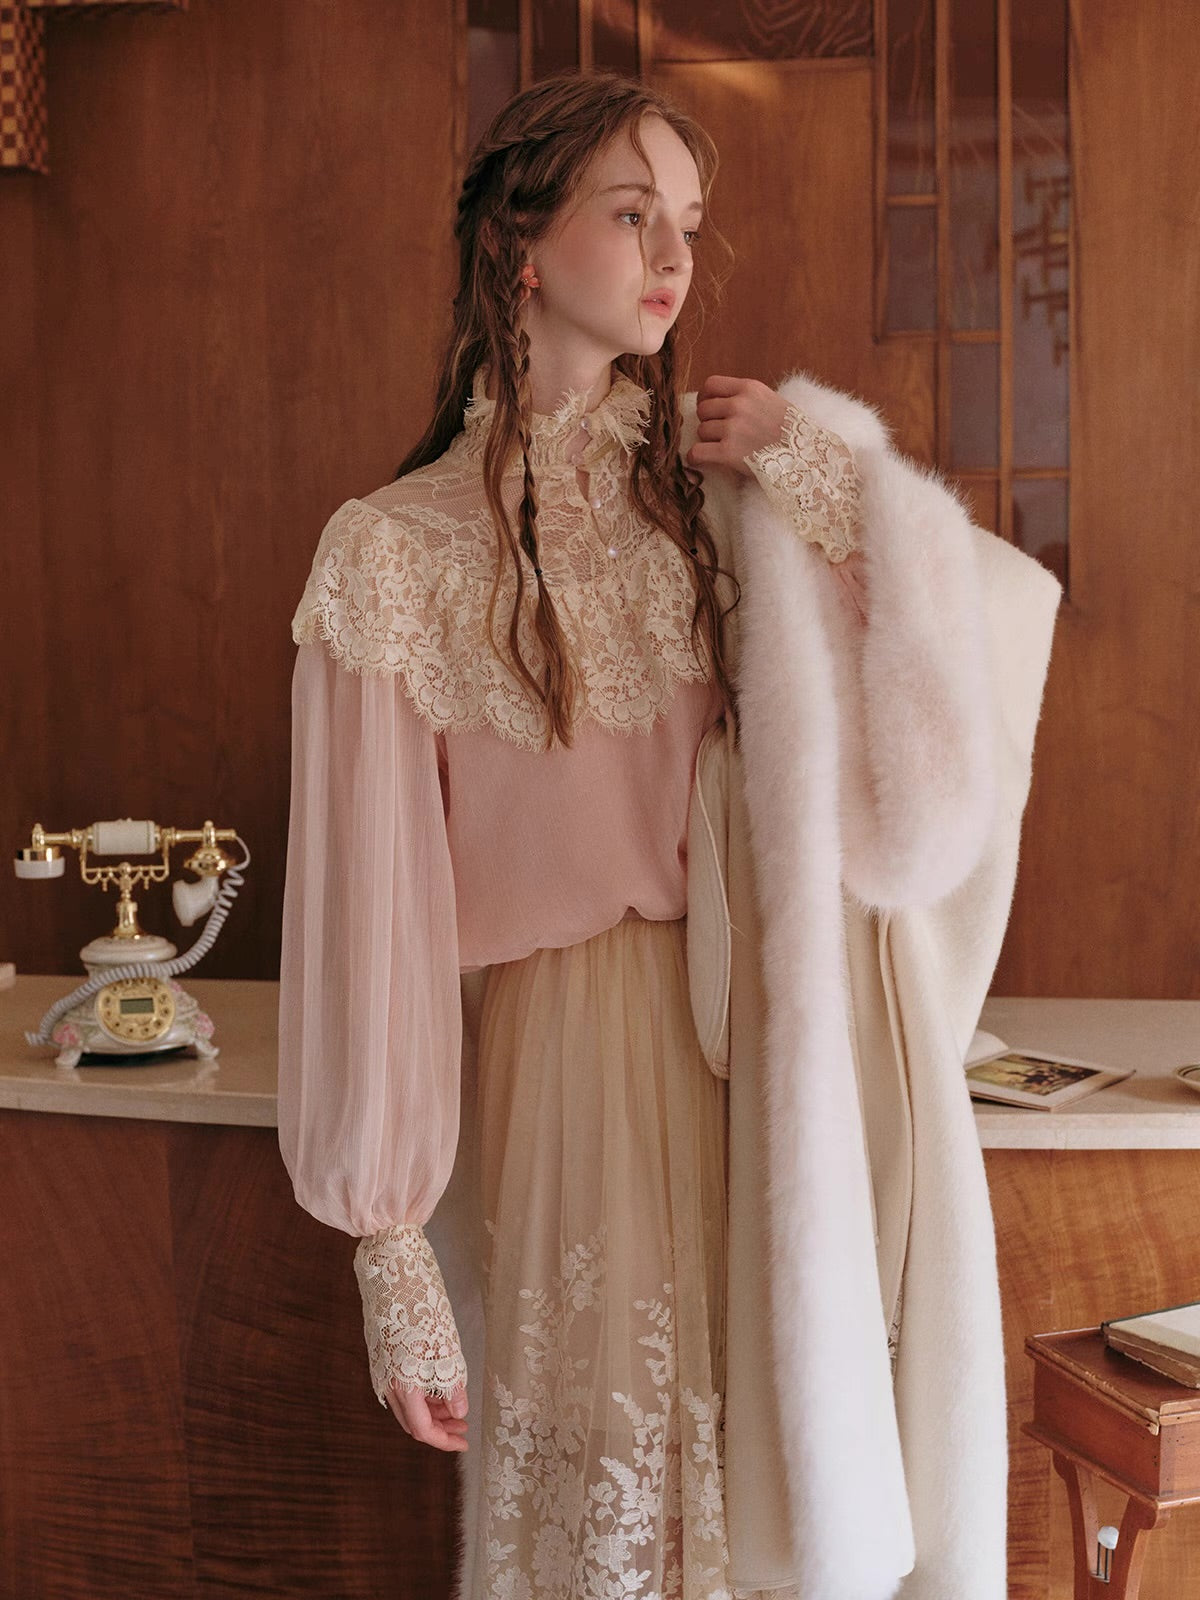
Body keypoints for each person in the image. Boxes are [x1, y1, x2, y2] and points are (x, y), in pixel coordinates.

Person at [278, 68, 1061, 1600]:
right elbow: (373, 918)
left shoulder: (718, 497)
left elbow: (960, 679)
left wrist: (818, 472)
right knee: (618, 1513)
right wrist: (391, 1253)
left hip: (763, 1049)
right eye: (633, 214)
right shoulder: (391, 553)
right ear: (522, 244)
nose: (674, 257)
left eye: (688, 223)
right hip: (564, 1053)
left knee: (774, 1495)